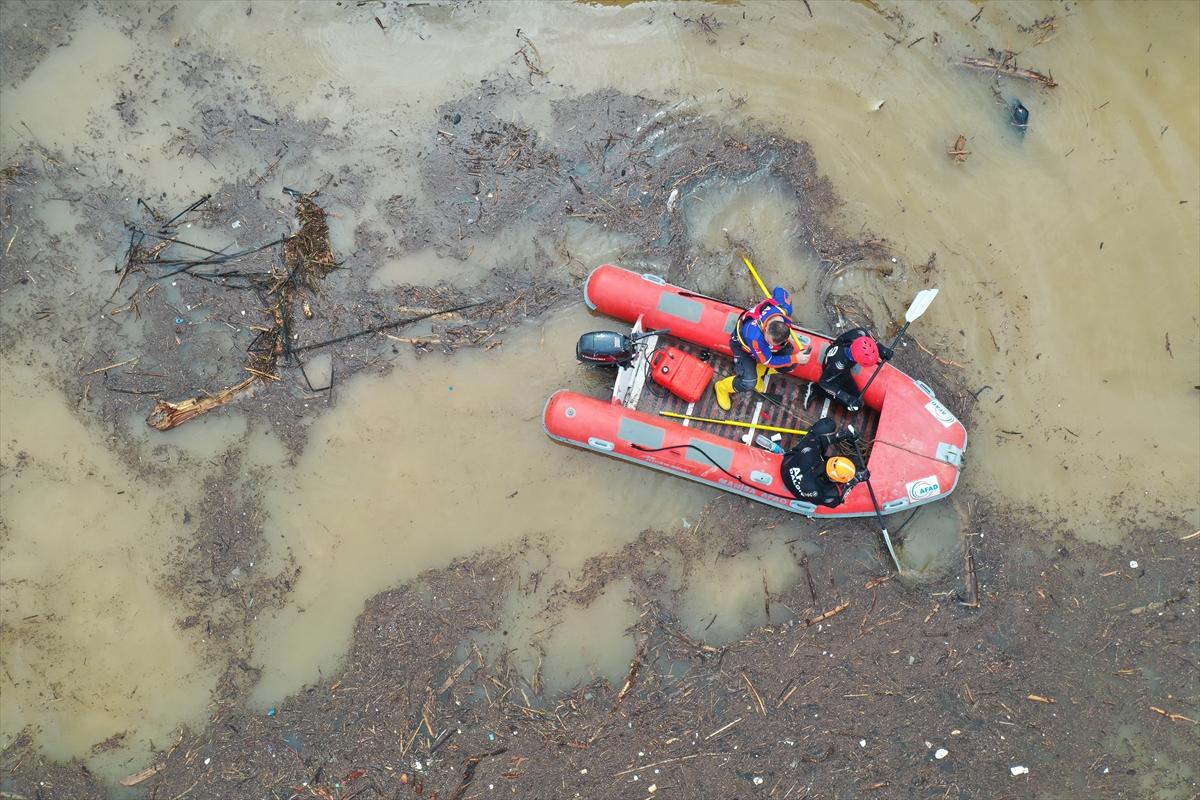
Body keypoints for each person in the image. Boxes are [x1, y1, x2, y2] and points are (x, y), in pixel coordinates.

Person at [713, 287, 808, 411]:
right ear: (767, 327)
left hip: (765, 346)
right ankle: (722, 387)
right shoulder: (755, 336)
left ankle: (759, 371)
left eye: (772, 343)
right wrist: (796, 358)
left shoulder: (784, 307)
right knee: (749, 382)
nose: (769, 344)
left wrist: (794, 359)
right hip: (743, 348)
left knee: (789, 364)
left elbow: (779, 290)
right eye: (768, 341)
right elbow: (768, 361)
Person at [780, 418, 868, 508]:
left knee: (826, 425)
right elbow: (836, 502)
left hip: (789, 465)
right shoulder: (829, 492)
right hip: (801, 480)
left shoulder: (809, 452)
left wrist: (842, 436)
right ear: (834, 479)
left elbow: (817, 440)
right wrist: (854, 481)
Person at [812, 328, 893, 412]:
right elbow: (824, 382)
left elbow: (867, 337)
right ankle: (816, 389)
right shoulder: (839, 364)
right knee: (854, 407)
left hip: (845, 369)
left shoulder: (860, 334)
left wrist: (882, 349)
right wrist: (846, 398)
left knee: (859, 402)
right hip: (837, 374)